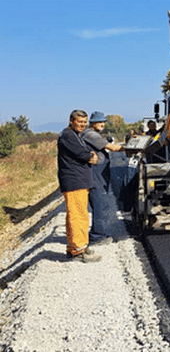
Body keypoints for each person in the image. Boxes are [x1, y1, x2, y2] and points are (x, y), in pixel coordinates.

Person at [57, 110, 100, 262]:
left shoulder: (75, 136)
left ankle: (74, 247)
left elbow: (85, 151)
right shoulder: (68, 136)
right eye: (79, 122)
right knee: (78, 215)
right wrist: (91, 156)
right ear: (71, 121)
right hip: (74, 181)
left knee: (74, 214)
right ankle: (79, 249)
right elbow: (84, 154)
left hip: (78, 181)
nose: (82, 125)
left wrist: (90, 154)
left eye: (84, 122)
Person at [81, 111, 125, 245]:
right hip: (95, 174)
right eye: (99, 121)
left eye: (103, 122)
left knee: (102, 204)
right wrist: (129, 149)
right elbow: (111, 147)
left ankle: (98, 233)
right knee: (100, 205)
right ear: (92, 123)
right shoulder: (91, 135)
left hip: (99, 173)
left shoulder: (92, 134)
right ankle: (97, 236)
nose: (102, 124)